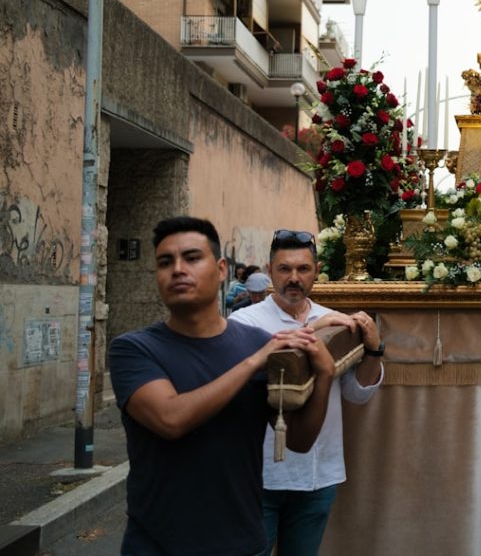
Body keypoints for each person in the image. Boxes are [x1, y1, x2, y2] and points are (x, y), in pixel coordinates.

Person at [108, 217, 337, 556]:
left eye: (192, 258)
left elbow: (299, 441)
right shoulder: (133, 349)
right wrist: (254, 361)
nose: (178, 270)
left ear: (220, 269)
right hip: (159, 545)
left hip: (242, 542)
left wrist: (325, 377)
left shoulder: (257, 342)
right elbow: (171, 420)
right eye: (165, 262)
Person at [231, 229, 384, 556]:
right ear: (269, 270)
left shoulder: (333, 322)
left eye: (303, 269)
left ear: (317, 271)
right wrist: (311, 330)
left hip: (318, 474)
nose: (294, 278)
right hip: (258, 475)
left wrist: (373, 350)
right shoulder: (243, 322)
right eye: (284, 269)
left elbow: (357, 394)